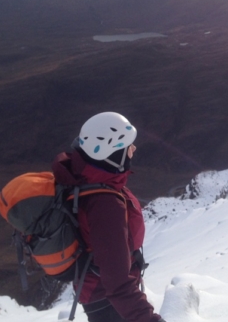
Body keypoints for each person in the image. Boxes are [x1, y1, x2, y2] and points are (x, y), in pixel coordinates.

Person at [52, 112, 166, 322]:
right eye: (128, 146)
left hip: (96, 291)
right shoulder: (105, 204)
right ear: (111, 152)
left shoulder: (85, 178)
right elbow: (118, 285)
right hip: (108, 301)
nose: (134, 149)